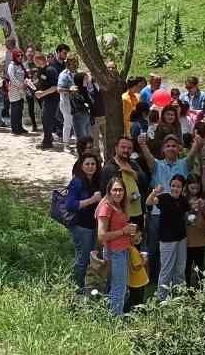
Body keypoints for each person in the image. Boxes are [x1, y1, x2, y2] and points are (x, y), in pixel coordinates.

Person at [63, 155, 104, 293]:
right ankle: (78, 289)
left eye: (93, 164)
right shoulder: (77, 182)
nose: (91, 166)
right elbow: (70, 205)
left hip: (92, 226)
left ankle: (88, 287)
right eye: (87, 164)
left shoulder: (94, 181)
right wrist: (92, 200)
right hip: (81, 227)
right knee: (83, 259)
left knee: (89, 258)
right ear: (81, 166)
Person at [96, 176, 135, 316]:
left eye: (120, 190)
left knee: (121, 288)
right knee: (119, 288)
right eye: (115, 190)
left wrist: (131, 235)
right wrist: (123, 231)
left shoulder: (119, 206)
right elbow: (101, 236)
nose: (118, 193)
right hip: (114, 253)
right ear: (109, 191)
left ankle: (114, 316)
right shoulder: (106, 208)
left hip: (123, 250)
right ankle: (115, 321)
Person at [148, 173, 191, 297]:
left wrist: (191, 219)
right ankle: (161, 297)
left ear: (182, 188)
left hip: (181, 239)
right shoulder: (164, 198)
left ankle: (179, 295)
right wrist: (154, 192)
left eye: (178, 186)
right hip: (167, 240)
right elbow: (149, 202)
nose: (175, 188)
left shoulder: (183, 200)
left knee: (180, 269)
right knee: (166, 269)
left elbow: (186, 217)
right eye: (173, 186)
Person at [101, 135, 147, 230]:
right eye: (123, 147)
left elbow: (145, 181)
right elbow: (105, 194)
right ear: (116, 148)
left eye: (129, 148)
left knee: (136, 243)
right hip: (120, 216)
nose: (126, 150)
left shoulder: (133, 164)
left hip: (137, 214)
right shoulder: (109, 168)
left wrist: (132, 172)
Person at [35, 45, 66, 149]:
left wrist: (42, 94)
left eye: (36, 61)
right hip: (45, 98)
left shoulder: (50, 70)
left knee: (47, 120)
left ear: (40, 60)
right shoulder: (40, 70)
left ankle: (47, 142)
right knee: (45, 119)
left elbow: (54, 87)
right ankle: (48, 138)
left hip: (53, 99)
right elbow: (41, 82)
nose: (35, 64)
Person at [184, 175, 205, 284]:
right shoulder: (183, 197)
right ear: (187, 187)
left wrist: (203, 207)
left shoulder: (204, 197)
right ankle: (187, 285)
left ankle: (201, 285)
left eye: (197, 188)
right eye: (192, 188)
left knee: (200, 263)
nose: (194, 191)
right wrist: (188, 207)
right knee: (187, 263)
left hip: (199, 235)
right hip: (187, 236)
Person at [55, 53, 78, 153]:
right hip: (66, 102)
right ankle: (66, 145)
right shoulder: (63, 75)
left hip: (76, 103)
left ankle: (78, 145)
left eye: (76, 63)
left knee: (77, 123)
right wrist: (70, 90)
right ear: (68, 64)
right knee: (68, 124)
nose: (76, 65)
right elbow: (59, 89)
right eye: (74, 63)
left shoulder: (75, 73)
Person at [5, 49, 29, 136]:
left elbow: (25, 76)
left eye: (21, 55)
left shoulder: (20, 65)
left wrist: (26, 83)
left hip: (21, 91)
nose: (20, 57)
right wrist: (20, 85)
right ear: (14, 56)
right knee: (15, 110)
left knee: (20, 110)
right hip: (14, 91)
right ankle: (15, 128)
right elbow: (12, 78)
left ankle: (20, 127)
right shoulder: (11, 66)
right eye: (18, 56)